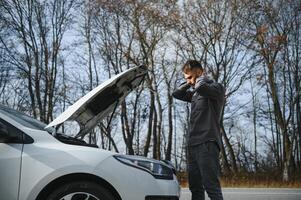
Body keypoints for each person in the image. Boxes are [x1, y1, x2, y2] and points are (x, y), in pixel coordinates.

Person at [172, 60, 224, 200]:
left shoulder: (216, 89)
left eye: (190, 77)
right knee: (195, 187)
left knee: (211, 186)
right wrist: (188, 82)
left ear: (200, 72)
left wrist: (201, 79)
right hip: (192, 145)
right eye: (186, 78)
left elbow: (202, 87)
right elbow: (176, 94)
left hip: (207, 143)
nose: (188, 81)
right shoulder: (195, 95)